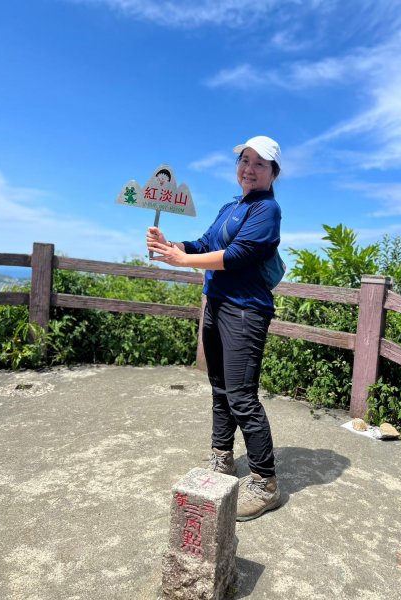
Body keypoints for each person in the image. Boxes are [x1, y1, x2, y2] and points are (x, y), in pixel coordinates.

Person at [146, 135, 282, 521]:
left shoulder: (267, 211)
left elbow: (238, 257)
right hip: (217, 305)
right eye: (244, 160)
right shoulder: (230, 207)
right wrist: (171, 244)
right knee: (220, 387)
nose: (249, 168)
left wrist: (179, 261)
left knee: (242, 396)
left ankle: (265, 482)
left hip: (245, 312)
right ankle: (222, 458)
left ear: (273, 172)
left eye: (259, 163)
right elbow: (205, 242)